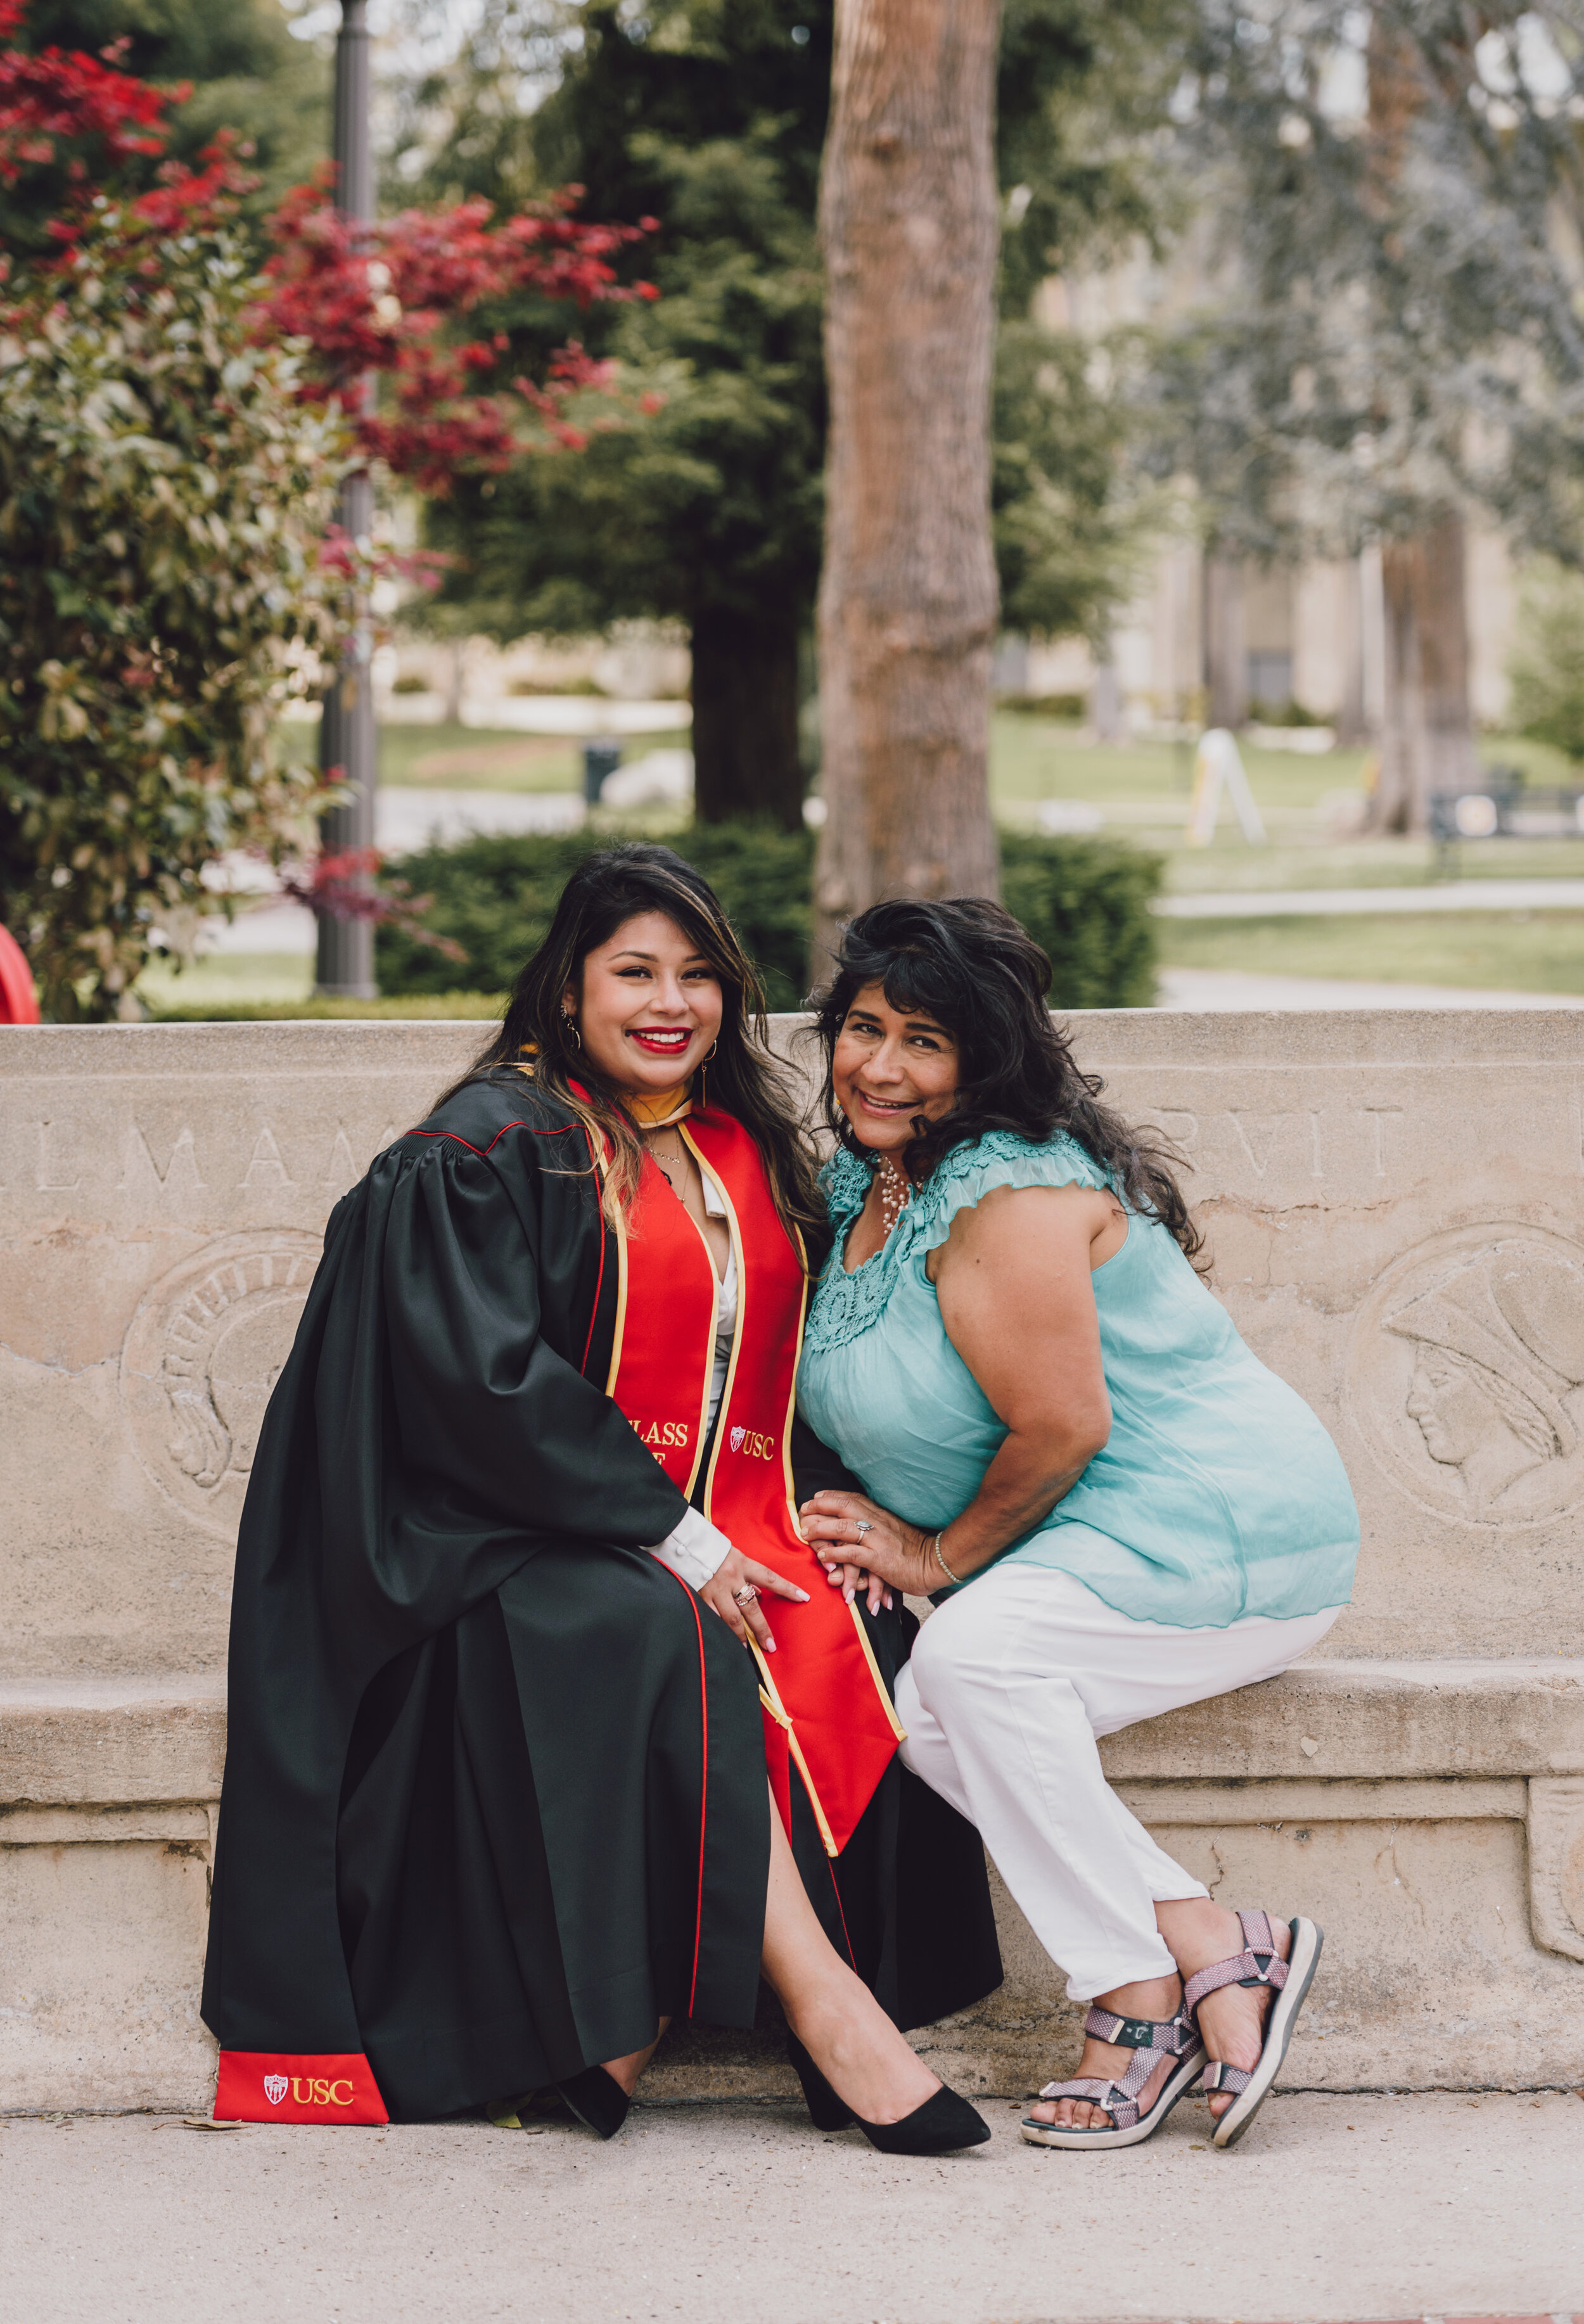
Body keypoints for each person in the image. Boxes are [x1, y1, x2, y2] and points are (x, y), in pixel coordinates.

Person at [203, 845, 996, 2154]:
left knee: (838, 1615)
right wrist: (679, 1539)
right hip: (466, 1536)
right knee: (662, 1632)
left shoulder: (733, 1147)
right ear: (566, 989)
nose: (667, 1001)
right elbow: (482, 1394)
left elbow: (766, 1369)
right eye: (632, 970)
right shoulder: (488, 1146)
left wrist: (836, 1516)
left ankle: (619, 2028)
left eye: (697, 975)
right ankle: (830, 2010)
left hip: (647, 1522)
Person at [796, 897, 1360, 2153]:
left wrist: (933, 1556)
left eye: (923, 1041)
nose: (878, 1065)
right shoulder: (868, 1178)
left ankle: (1128, 1993)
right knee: (928, 1716)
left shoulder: (1004, 1191)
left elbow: (1057, 1427)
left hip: (1221, 1522)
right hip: (1080, 1541)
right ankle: (1216, 1940)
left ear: (980, 1061)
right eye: (861, 1027)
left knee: (970, 1661)